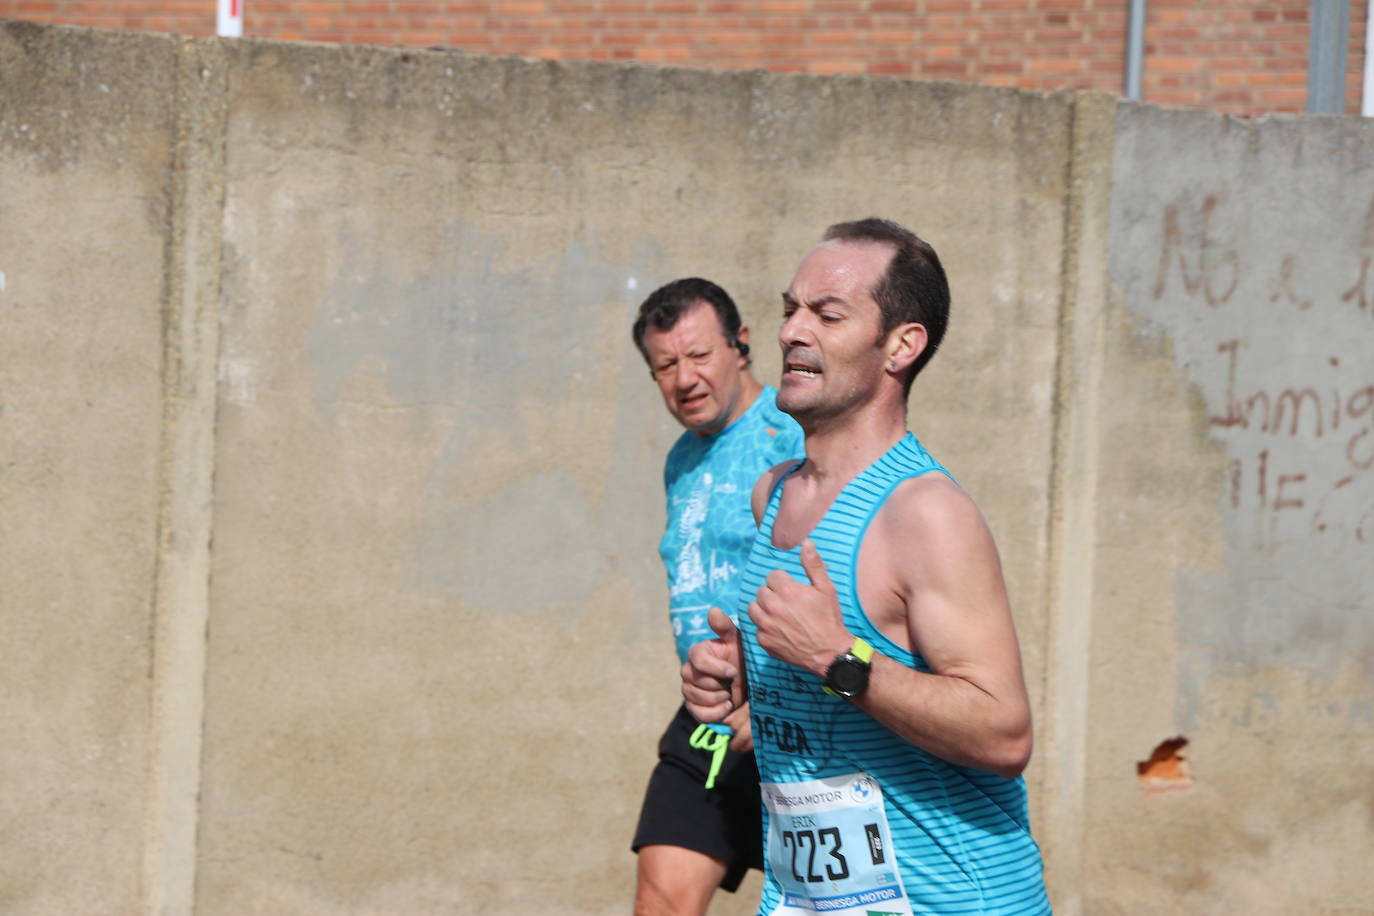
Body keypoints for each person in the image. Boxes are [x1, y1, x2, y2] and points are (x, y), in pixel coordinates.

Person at [682, 220, 1052, 915]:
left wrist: (834, 658)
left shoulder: (925, 513)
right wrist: (740, 683)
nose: (794, 331)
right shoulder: (774, 496)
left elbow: (1005, 732)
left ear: (901, 346)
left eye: (827, 315)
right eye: (790, 308)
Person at [630, 278, 804, 915]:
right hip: (707, 719)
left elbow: (834, 573)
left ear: (741, 345)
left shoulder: (792, 432)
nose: (685, 378)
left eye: (699, 355)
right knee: (663, 896)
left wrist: (781, 689)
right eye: (666, 365)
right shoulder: (681, 458)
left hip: (796, 714)